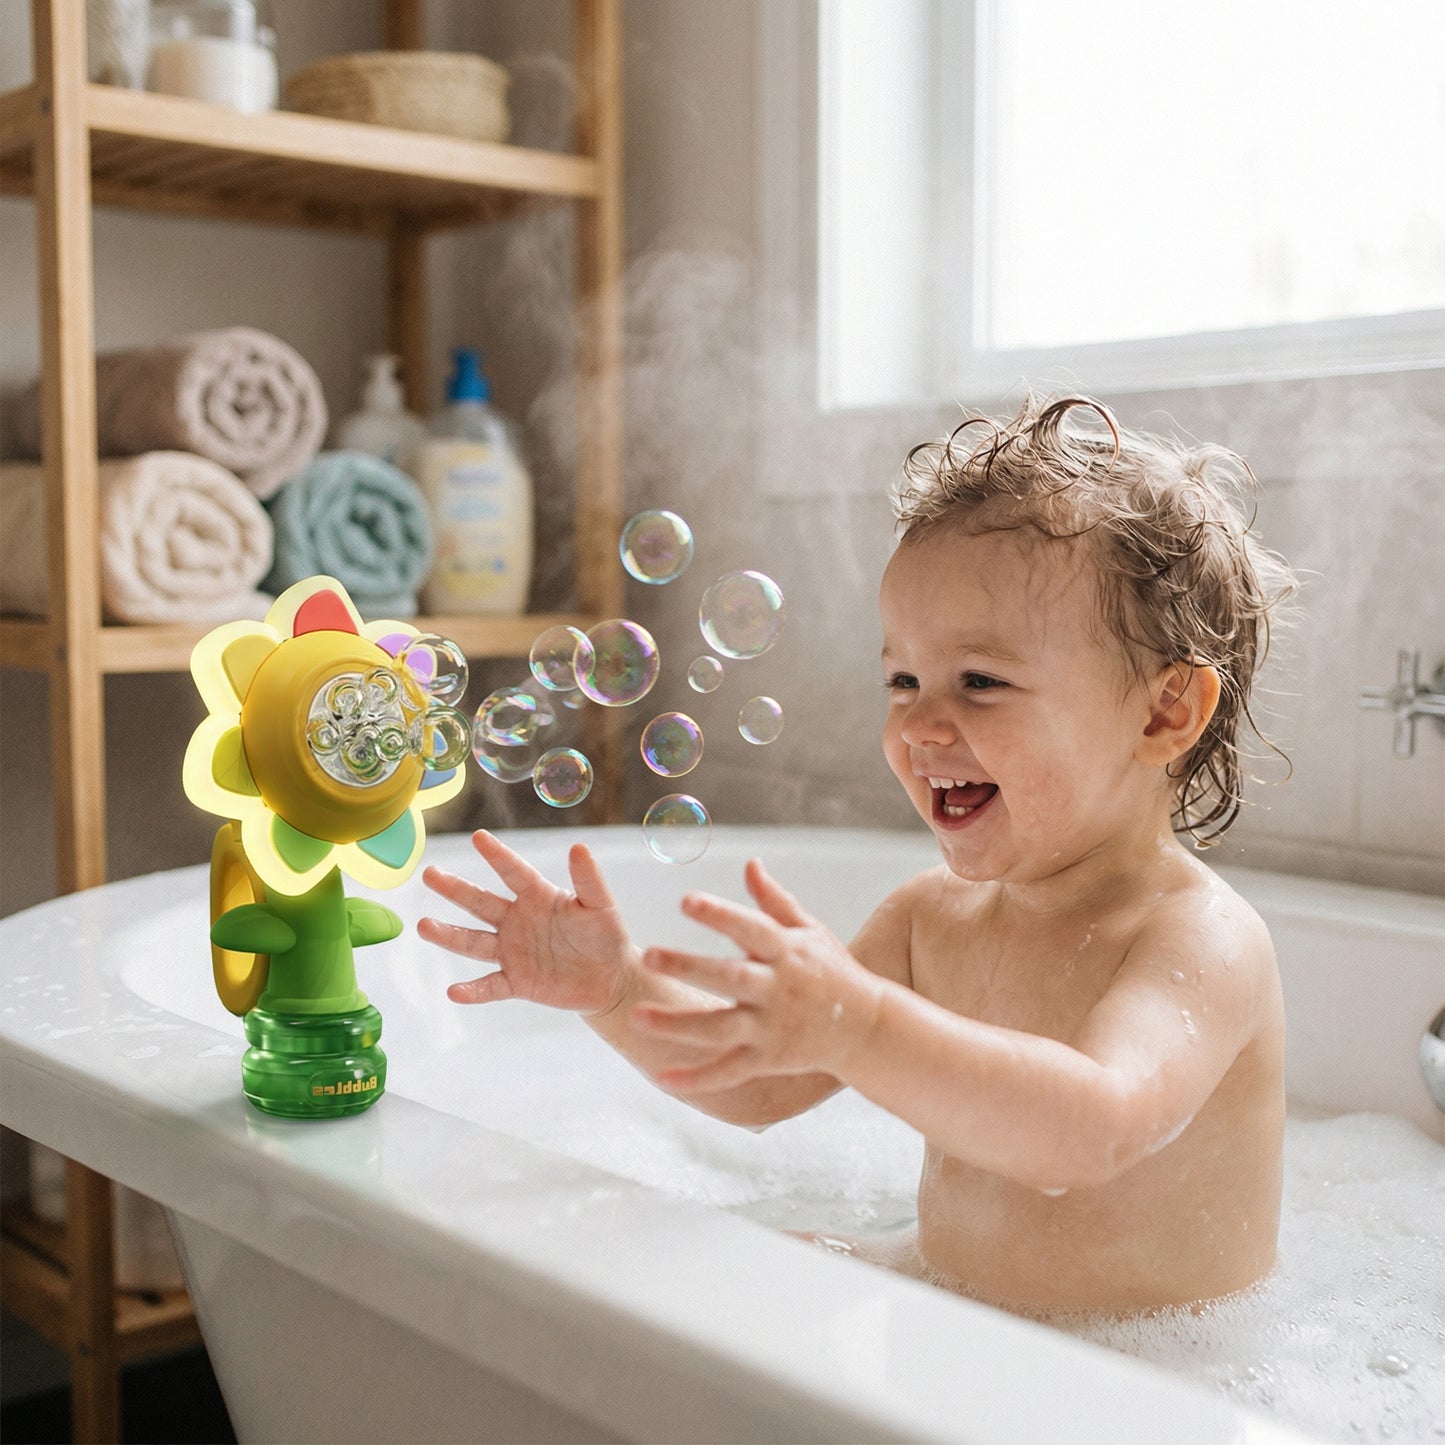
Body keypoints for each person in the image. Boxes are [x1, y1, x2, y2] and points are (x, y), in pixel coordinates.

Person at [419, 395, 1299, 1315]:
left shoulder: (1197, 940)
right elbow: (763, 1084)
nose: (919, 723)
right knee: (708, 1283)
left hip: (1138, 1382)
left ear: (1164, 712)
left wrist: (861, 1025)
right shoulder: (930, 920)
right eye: (903, 679)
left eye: (981, 681)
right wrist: (617, 987)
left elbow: (1093, 1130)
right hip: (949, 1308)